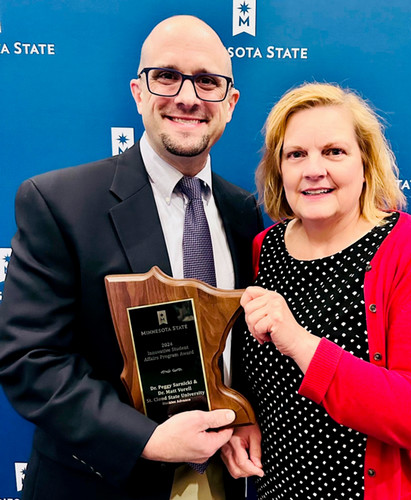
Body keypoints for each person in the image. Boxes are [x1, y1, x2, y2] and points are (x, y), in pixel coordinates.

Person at [0, 15, 263, 500]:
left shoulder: (246, 212)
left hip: (225, 480)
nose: (188, 96)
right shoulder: (58, 202)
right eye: (167, 76)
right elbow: (30, 359)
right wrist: (146, 439)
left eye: (208, 81)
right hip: (101, 484)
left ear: (230, 103)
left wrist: (247, 417)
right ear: (139, 92)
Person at [222, 83, 411, 499]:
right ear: (278, 170)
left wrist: (302, 345)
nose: (313, 169)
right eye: (296, 154)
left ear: (366, 163)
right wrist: (243, 416)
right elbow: (253, 373)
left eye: (334, 151)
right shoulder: (265, 248)